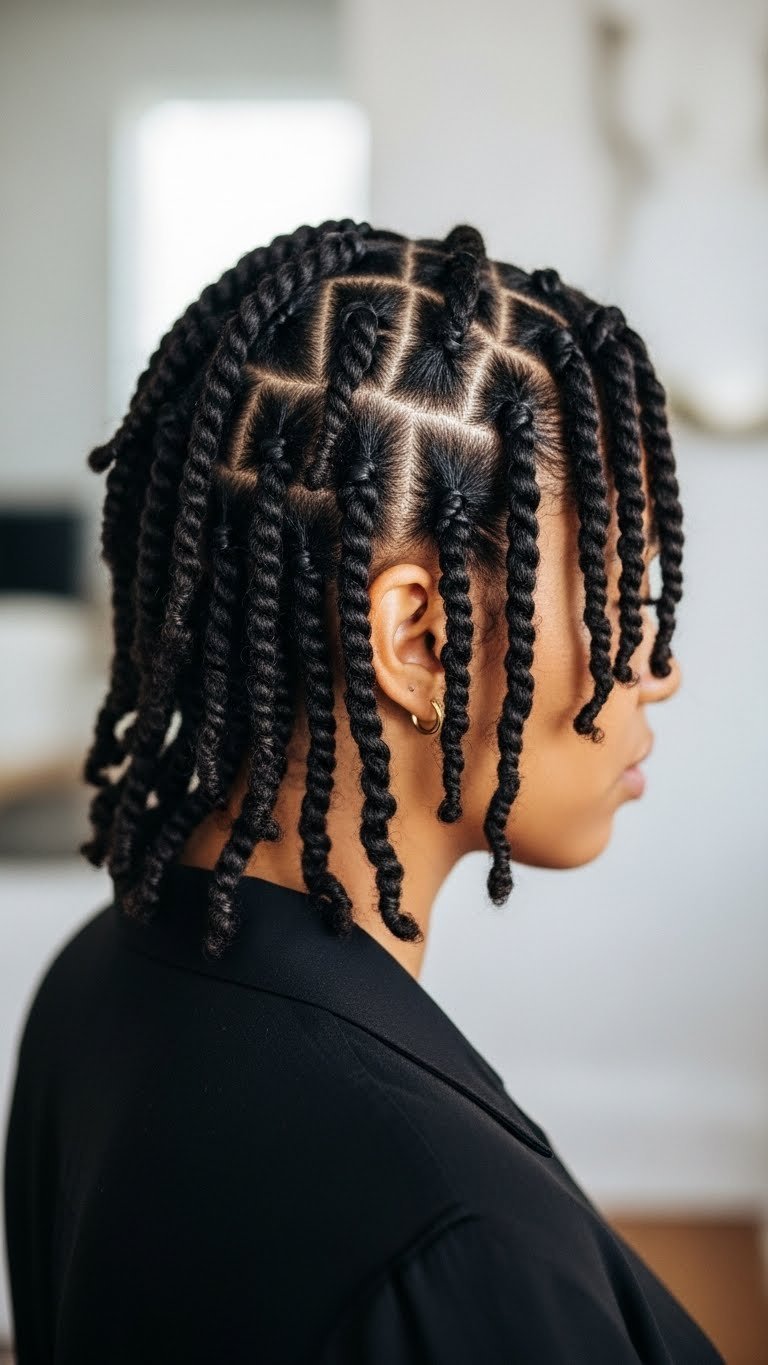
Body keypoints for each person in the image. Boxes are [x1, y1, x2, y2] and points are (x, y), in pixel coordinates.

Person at [3, 220, 724, 1362]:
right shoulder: (457, 1257)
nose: (662, 667)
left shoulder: (100, 979)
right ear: (418, 642)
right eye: (618, 594)